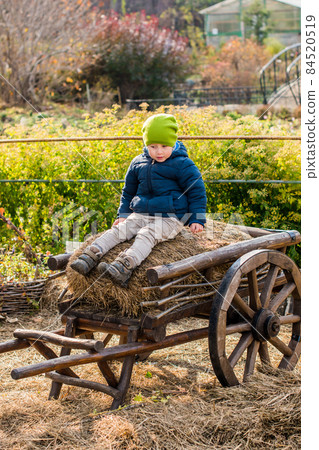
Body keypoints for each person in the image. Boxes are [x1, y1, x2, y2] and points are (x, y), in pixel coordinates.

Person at [71, 113, 207, 287]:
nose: (158, 151)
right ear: (145, 144)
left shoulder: (182, 164)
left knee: (146, 234)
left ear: (173, 143)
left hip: (170, 217)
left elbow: (197, 191)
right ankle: (90, 255)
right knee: (119, 231)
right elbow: (128, 191)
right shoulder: (138, 163)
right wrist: (124, 214)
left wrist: (197, 218)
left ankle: (125, 265)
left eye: (164, 146)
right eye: (153, 146)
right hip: (141, 213)